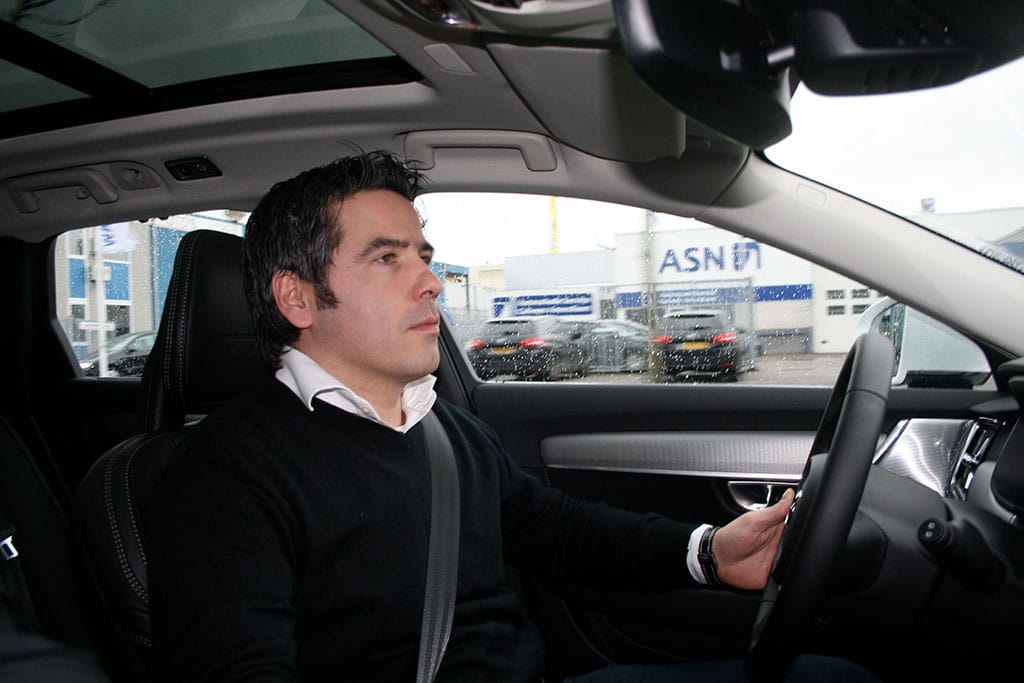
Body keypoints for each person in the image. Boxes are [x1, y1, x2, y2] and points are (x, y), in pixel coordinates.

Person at [145, 151, 877, 682]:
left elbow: (560, 531)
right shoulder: (226, 475)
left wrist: (710, 551)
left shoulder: (445, 429)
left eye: (424, 255)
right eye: (387, 258)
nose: (431, 282)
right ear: (297, 298)